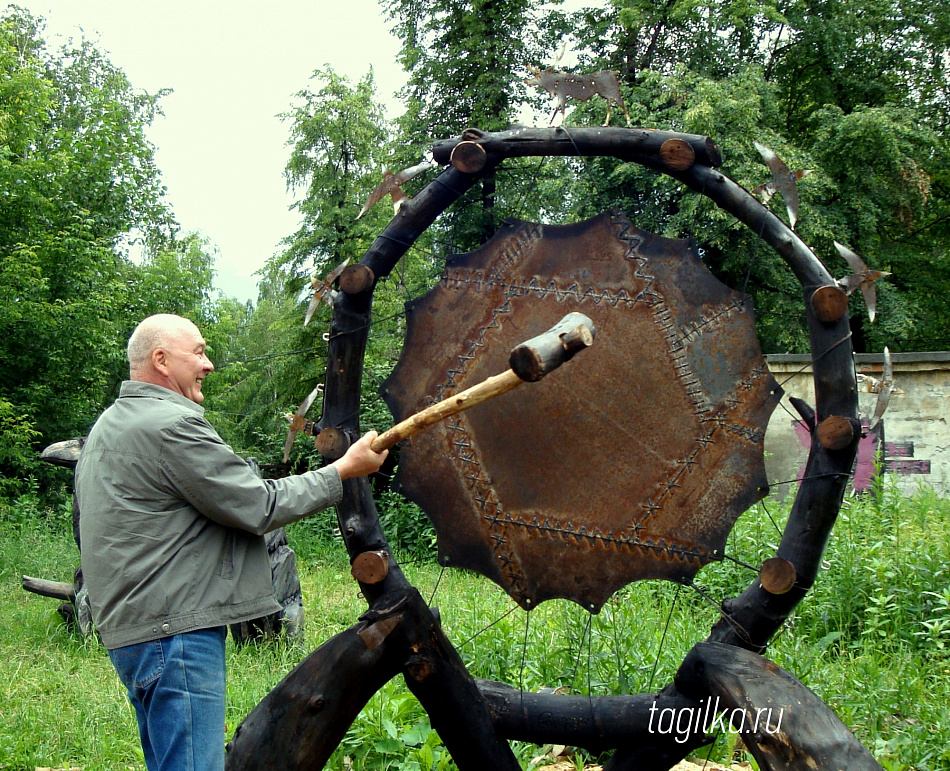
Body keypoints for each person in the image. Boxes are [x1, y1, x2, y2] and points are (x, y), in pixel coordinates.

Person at [75, 313, 387, 771]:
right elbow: (258, 505)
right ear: (161, 360)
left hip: (134, 632)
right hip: (174, 632)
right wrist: (343, 470)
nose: (209, 364)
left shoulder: (110, 425)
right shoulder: (171, 426)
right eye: (198, 352)